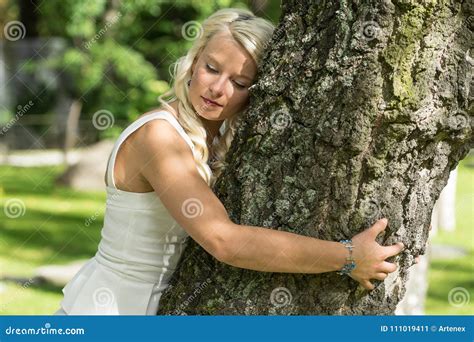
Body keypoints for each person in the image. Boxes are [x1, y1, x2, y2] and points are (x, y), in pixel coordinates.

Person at [55, 8, 404, 315]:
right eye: (211, 68)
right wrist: (346, 256)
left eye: (239, 82)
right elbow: (224, 241)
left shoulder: (218, 140)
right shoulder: (159, 137)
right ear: (193, 63)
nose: (217, 89)